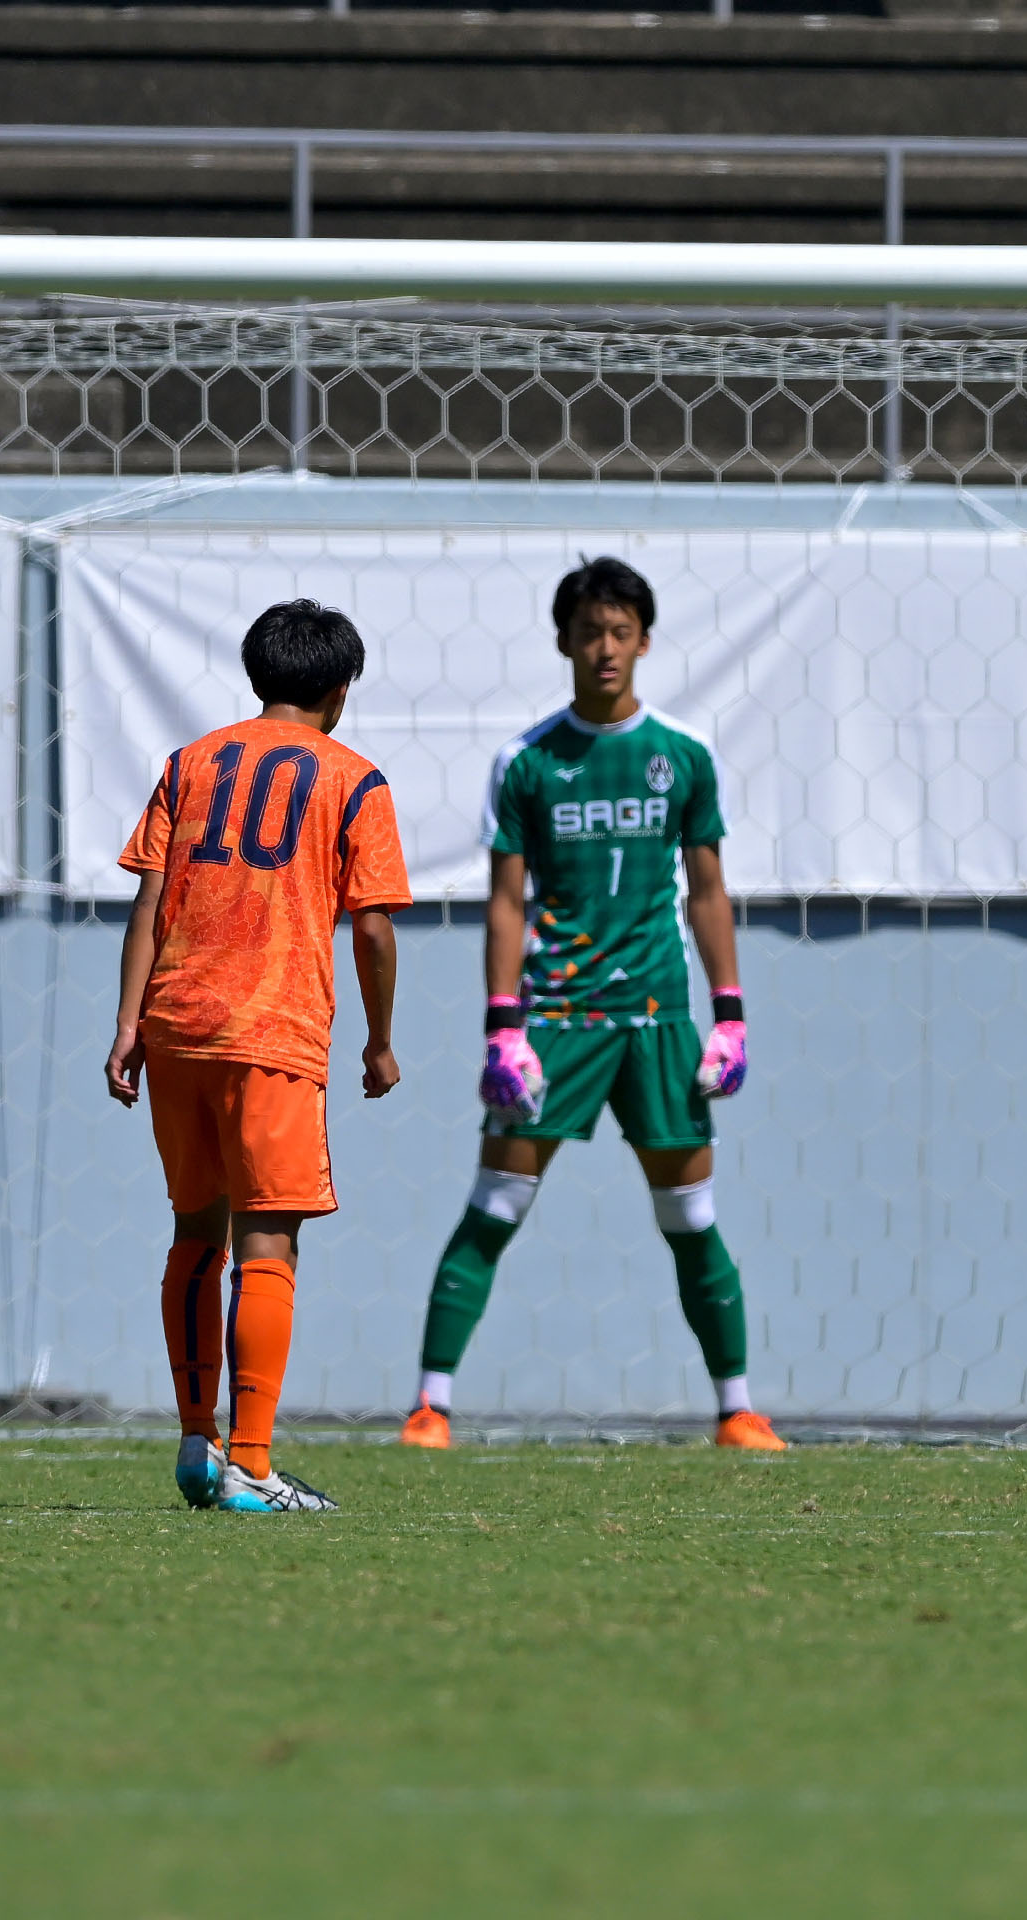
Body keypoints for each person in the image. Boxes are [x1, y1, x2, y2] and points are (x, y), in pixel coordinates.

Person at [400, 557, 780, 1451]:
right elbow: (505, 902)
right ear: (563, 641)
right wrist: (503, 1030)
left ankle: (739, 1410)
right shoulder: (528, 762)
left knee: (690, 1218)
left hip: (655, 1020)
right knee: (497, 1205)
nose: (604, 649)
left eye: (620, 633)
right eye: (589, 633)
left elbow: (709, 890)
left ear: (644, 641)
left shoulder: (682, 757)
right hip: (558, 1020)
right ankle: (430, 1405)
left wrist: (729, 1016)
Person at [107, 599, 410, 1513]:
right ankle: (251, 1462)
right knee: (267, 1239)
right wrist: (381, 1037)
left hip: (176, 1024)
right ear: (339, 691)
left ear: (256, 676)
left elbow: (150, 902)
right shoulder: (354, 779)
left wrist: (127, 1025)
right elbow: (376, 927)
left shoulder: (188, 764)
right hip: (272, 1030)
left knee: (194, 1231)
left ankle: (197, 1443)